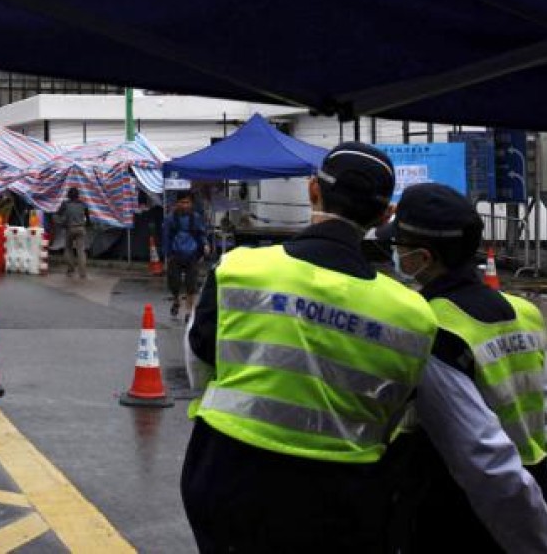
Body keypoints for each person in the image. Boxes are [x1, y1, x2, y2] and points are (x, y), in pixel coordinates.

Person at [180, 142, 547, 554]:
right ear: (383, 215)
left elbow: (200, 363)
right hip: (341, 500)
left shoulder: (241, 269)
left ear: (312, 189)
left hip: (223, 472)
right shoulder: (410, 314)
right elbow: (465, 438)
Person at [377, 183, 547, 553]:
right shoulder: (526, 312)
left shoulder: (431, 326)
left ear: (423, 257)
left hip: (465, 501)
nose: (396, 254)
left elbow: (480, 454)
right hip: (531, 480)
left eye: (399, 247)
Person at [165, 192, 208, 324]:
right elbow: (166, 237)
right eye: (182, 202)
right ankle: (176, 300)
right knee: (174, 282)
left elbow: (202, 233)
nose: (184, 205)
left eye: (187, 202)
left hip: (192, 254)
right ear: (177, 203)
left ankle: (189, 311)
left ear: (191, 204)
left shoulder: (195, 218)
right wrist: (167, 255)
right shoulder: (170, 218)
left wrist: (205, 244)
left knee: (191, 284)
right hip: (175, 254)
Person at [57, 187, 89, 278]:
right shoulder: (83, 204)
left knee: (68, 248)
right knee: (81, 251)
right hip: (81, 228)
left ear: (68, 195)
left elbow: (58, 213)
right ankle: (82, 273)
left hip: (70, 229)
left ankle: (71, 269)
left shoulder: (65, 204)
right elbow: (87, 217)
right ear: (78, 195)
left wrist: (61, 222)